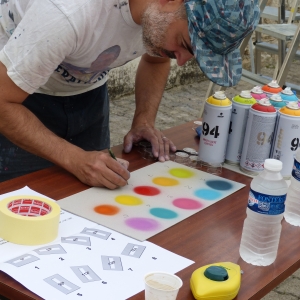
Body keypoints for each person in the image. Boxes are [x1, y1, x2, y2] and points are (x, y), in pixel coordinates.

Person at [0, 0, 259, 188]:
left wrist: (144, 120)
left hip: (88, 96)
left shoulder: (157, 15)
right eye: (183, 45)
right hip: (18, 100)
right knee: (19, 210)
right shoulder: (68, 11)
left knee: (87, 199)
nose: (182, 61)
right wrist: (73, 157)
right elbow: (3, 101)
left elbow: (157, 60)